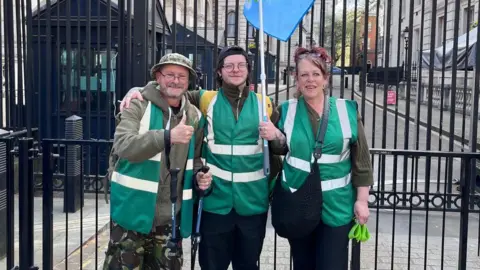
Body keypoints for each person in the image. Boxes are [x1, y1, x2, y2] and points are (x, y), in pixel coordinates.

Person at [119, 45, 282, 270]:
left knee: (247, 265)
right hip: (215, 203)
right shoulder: (204, 99)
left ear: (248, 69)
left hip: (253, 204)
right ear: (219, 71)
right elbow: (168, 90)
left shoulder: (266, 104)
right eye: (229, 65)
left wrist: (277, 137)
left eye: (241, 65)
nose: (235, 70)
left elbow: (283, 147)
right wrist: (137, 89)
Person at [258, 46, 373, 270]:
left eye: (315, 74)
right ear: (296, 79)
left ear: (325, 78)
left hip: (337, 205)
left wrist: (361, 200)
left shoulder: (346, 110)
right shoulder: (286, 110)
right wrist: (276, 136)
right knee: (303, 264)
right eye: (304, 75)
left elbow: (362, 160)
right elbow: (279, 149)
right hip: (298, 202)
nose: (310, 80)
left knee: (332, 264)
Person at [103, 53, 212, 269]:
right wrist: (167, 136)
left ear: (188, 81)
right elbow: (123, 145)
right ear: (157, 77)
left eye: (182, 76)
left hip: (170, 217)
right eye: (169, 74)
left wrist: (201, 175)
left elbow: (196, 158)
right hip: (131, 213)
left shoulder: (195, 117)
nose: (175, 80)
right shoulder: (138, 105)